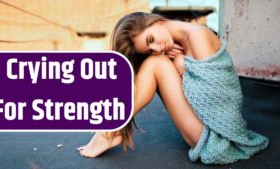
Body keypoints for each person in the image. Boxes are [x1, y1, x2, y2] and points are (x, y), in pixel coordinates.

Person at [78, 12, 269, 164]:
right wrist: (178, 63)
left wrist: (179, 64)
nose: (157, 48)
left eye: (151, 39)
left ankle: (108, 131)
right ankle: (110, 130)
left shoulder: (198, 36)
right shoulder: (179, 42)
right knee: (157, 62)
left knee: (156, 64)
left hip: (217, 137)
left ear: (156, 21)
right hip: (205, 129)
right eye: (149, 50)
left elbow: (216, 104)